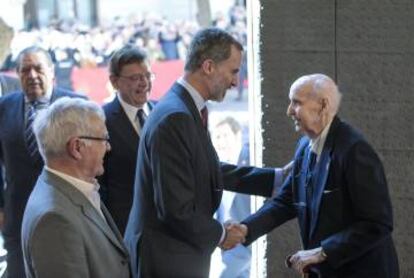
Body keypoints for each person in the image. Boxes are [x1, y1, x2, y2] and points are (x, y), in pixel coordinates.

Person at [124, 28, 289, 278]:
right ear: (209, 66)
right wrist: (222, 234)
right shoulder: (175, 117)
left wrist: (275, 178)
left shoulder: (185, 108)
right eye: (233, 71)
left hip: (175, 255)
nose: (236, 82)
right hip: (166, 261)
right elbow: (175, 210)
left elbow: (207, 169)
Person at [236, 74, 399, 277]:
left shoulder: (355, 150)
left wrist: (323, 252)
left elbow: (378, 223)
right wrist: (246, 229)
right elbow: (286, 200)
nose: (288, 111)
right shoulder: (304, 145)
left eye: (296, 103)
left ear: (322, 105)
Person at [21, 97, 130, 278]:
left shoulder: (74, 187)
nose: (108, 147)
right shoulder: (54, 219)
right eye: (104, 139)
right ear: (77, 147)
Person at [0, 46, 85, 278]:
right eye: (25, 70)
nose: (32, 75)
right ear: (17, 74)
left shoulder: (78, 105)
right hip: (17, 221)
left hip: (68, 218)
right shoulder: (3, 107)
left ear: (52, 71)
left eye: (38, 68)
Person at [98, 45, 156, 235]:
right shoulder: (100, 120)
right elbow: (98, 184)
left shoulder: (164, 114)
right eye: (135, 78)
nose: (144, 83)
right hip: (124, 231)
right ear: (114, 82)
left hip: (169, 231)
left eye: (147, 75)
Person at [211, 117, 252, 278]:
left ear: (238, 135)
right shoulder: (217, 167)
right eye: (217, 137)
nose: (221, 142)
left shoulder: (249, 160)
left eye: (225, 136)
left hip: (244, 243)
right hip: (226, 243)